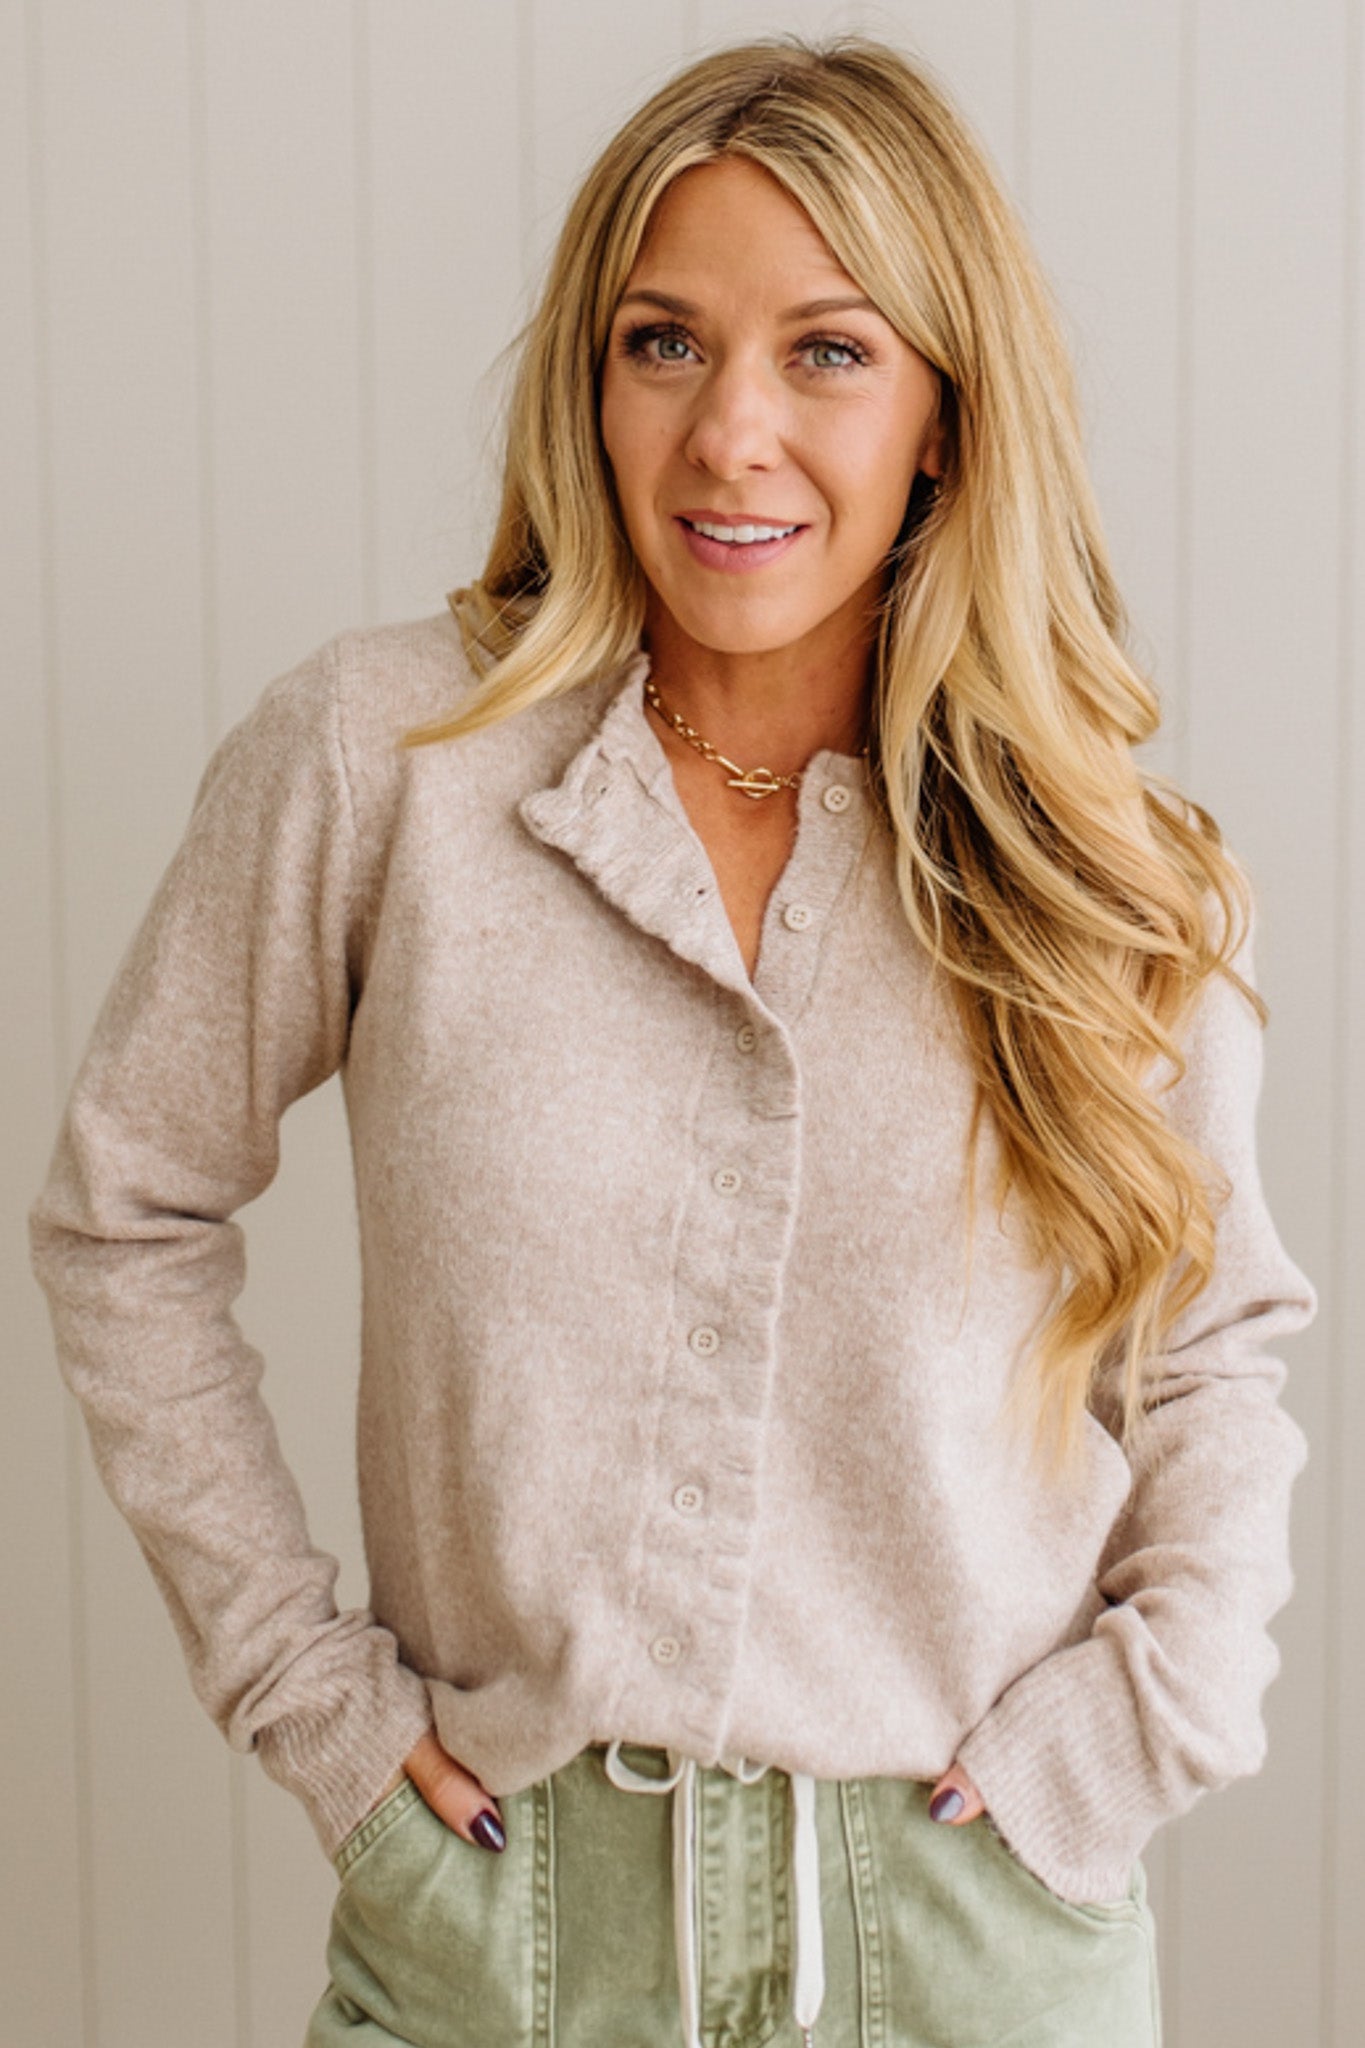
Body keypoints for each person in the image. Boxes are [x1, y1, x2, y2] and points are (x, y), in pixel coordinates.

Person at [28, 33, 1315, 2048]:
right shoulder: (384, 763)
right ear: (587, 378)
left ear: (942, 421)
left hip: (972, 1938)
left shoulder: (1105, 868)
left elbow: (1213, 1346)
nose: (728, 434)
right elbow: (127, 1214)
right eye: (661, 343)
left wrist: (1144, 1726)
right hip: (493, 1937)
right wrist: (317, 1706)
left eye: (824, 352)